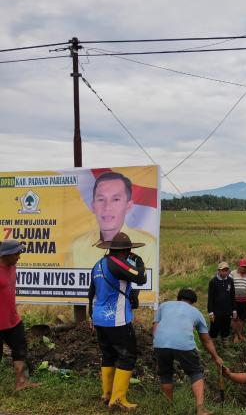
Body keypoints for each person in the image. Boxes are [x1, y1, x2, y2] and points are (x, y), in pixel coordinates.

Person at [88, 232, 147, 410]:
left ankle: (107, 394)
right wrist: (139, 262)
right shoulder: (117, 263)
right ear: (127, 251)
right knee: (127, 355)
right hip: (116, 319)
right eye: (129, 252)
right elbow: (140, 277)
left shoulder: (98, 265)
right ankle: (118, 399)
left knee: (108, 355)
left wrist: (91, 315)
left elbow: (91, 293)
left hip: (99, 318)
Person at [153, 288, 223, 415]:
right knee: (195, 372)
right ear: (193, 302)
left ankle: (169, 407)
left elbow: (155, 328)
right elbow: (206, 341)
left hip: (160, 342)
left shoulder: (164, 306)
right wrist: (216, 357)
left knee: (165, 373)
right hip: (183, 344)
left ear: (178, 298)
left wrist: (159, 343)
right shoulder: (196, 312)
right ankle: (200, 409)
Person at [66, 171, 156, 269]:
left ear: (128, 206)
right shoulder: (77, 247)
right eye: (101, 199)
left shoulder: (148, 246)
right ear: (93, 206)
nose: (107, 207)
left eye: (116, 199)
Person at [0, 240, 39, 391]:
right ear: (6, 254)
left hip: (12, 320)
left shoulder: (12, 265)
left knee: (20, 349)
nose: (19, 257)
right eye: (17, 254)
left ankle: (21, 383)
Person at [207, 261, 237, 347]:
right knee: (214, 328)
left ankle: (225, 345)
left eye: (226, 270)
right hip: (217, 311)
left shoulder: (230, 281)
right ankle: (212, 346)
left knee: (226, 327)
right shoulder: (213, 282)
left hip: (227, 310)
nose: (224, 272)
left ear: (228, 271)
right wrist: (210, 312)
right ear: (218, 271)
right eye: (222, 270)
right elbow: (210, 298)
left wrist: (234, 310)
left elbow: (232, 295)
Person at [231, 258, 246, 343]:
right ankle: (236, 336)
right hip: (234, 301)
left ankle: (240, 334)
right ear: (239, 266)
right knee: (234, 318)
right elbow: (228, 285)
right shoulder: (232, 273)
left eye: (245, 267)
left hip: (244, 301)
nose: (244, 268)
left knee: (241, 319)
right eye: (242, 267)